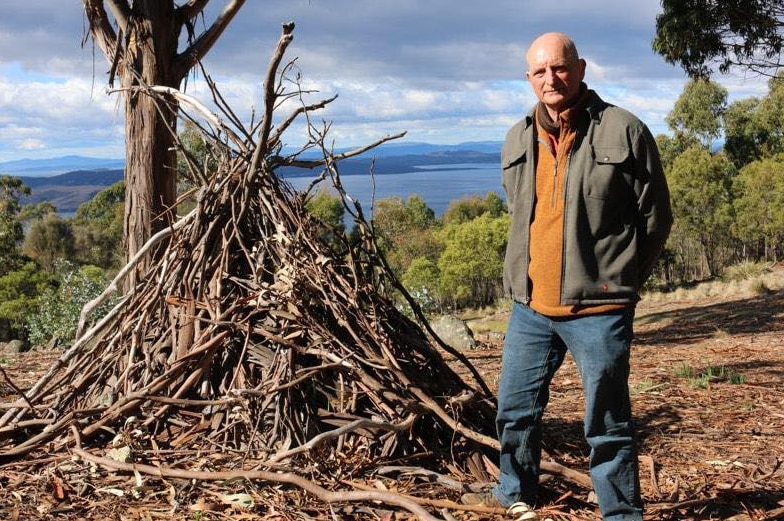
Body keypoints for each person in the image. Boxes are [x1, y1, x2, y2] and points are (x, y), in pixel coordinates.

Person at [462, 33, 673, 520]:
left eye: (559, 68)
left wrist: (616, 280)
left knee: (608, 423)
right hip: (530, 306)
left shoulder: (624, 130)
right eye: (539, 72)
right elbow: (522, 214)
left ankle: (620, 514)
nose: (550, 79)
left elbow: (655, 220)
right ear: (529, 79)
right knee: (514, 411)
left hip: (598, 308)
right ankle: (512, 492)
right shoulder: (517, 137)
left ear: (579, 69)